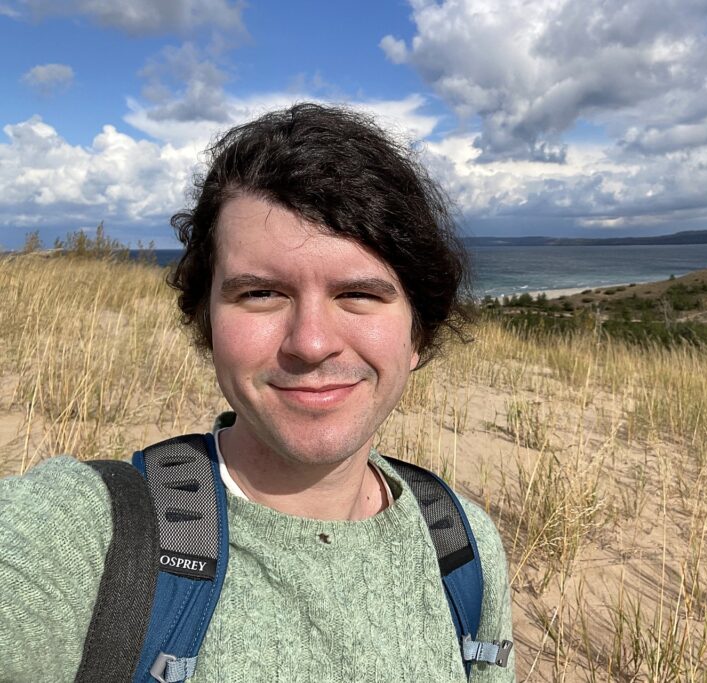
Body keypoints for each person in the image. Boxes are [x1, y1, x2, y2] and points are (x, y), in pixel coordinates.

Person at [0, 103, 515, 681]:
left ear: (417, 332)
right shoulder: (87, 533)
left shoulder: (464, 549)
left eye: (360, 294)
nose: (312, 343)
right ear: (207, 324)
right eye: (262, 293)